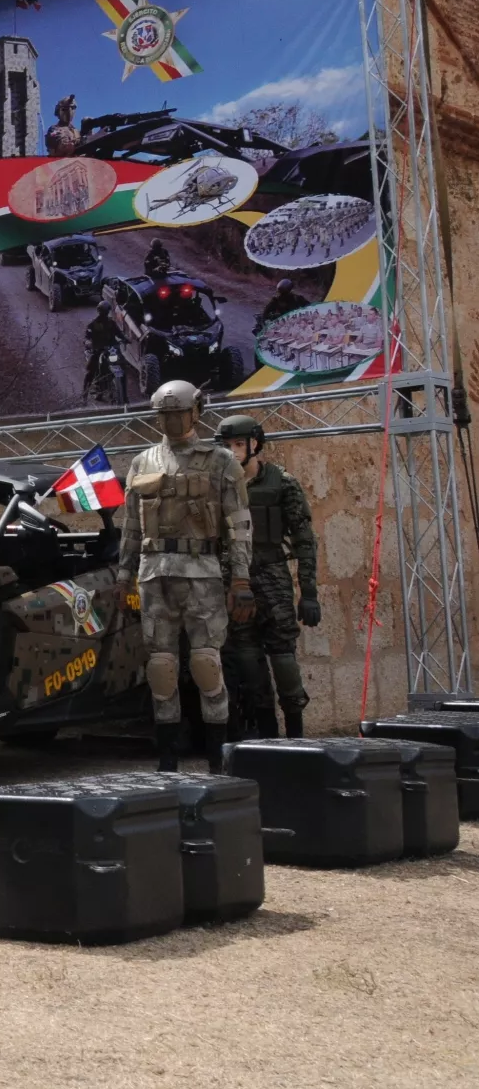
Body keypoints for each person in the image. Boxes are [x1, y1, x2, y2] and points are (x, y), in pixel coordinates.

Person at [120, 380, 255, 772]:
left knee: (205, 664)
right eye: (164, 414)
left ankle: (216, 762)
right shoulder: (142, 463)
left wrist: (241, 579)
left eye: (178, 412)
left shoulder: (220, 461)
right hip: (154, 575)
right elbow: (131, 526)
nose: (172, 420)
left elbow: (239, 525)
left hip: (202, 575)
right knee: (161, 668)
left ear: (195, 412)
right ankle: (167, 764)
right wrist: (123, 574)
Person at [216, 414, 320, 738]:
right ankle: (267, 738)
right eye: (226, 445)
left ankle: (296, 738)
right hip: (233, 581)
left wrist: (310, 592)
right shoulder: (217, 488)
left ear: (255, 444)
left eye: (237, 444)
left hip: (273, 577)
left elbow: (304, 539)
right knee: (247, 663)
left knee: (283, 656)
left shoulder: (281, 482)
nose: (231, 452)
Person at [84, 302, 124, 396]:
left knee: (122, 362)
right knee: (92, 368)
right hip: (98, 350)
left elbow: (119, 333)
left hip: (111, 349)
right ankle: (90, 389)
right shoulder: (93, 324)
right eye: (103, 311)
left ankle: (121, 389)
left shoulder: (111, 323)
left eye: (106, 311)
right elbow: (87, 337)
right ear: (99, 311)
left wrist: (125, 339)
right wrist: (87, 342)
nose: (105, 313)